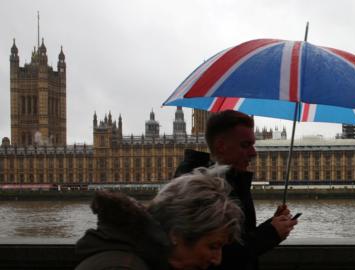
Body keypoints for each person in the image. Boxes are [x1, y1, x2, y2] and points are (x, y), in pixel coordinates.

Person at [175, 110, 298, 270]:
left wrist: (272, 224)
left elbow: (237, 238)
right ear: (221, 146)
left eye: (253, 145)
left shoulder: (228, 181)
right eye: (245, 145)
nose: (254, 153)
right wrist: (270, 234)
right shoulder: (196, 189)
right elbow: (217, 258)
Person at [75, 166, 244, 270]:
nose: (217, 260)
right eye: (213, 246)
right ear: (175, 234)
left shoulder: (145, 257)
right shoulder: (122, 266)